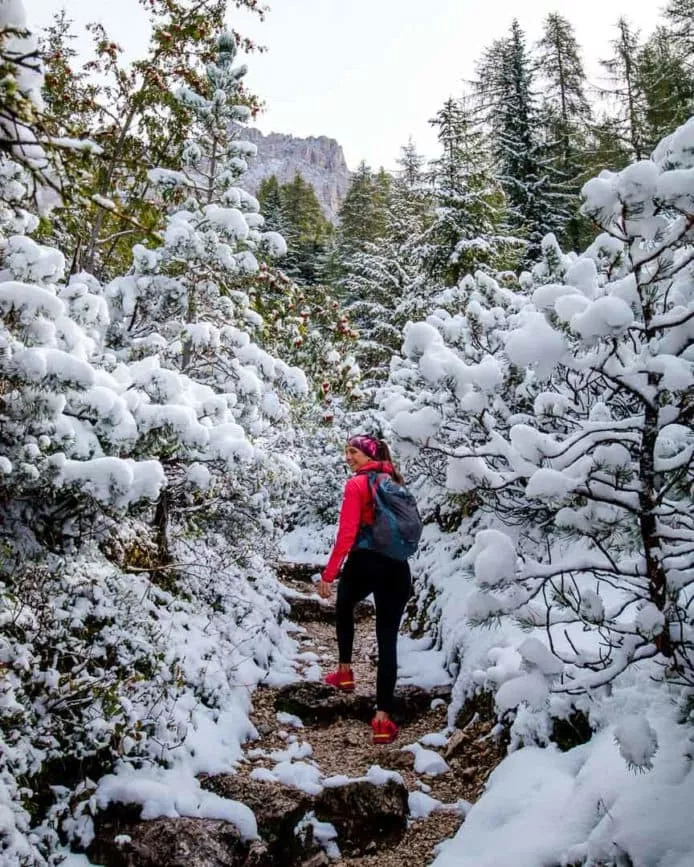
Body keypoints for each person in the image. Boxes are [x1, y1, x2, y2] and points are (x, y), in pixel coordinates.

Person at [318, 434, 412, 745]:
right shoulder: (394, 482)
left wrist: (329, 576)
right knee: (387, 640)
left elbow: (346, 535)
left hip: (364, 563)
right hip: (397, 568)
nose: (348, 457)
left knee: (344, 604)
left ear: (368, 454)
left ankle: (345, 671)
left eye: (353, 452)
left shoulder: (357, 485)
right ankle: (383, 720)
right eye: (346, 451)